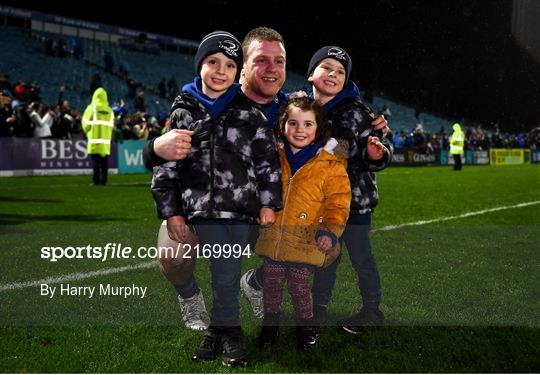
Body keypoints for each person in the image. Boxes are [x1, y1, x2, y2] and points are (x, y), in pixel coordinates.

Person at [142, 27, 390, 325]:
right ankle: (190, 297)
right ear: (242, 66)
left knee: (327, 247)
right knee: (174, 255)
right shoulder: (213, 102)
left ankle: (256, 283)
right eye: (261, 60)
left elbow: (337, 125)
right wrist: (153, 147)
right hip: (209, 208)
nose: (271, 69)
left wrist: (375, 126)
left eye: (279, 61)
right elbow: (169, 152)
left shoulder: (292, 109)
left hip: (265, 212)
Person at [150, 30, 282, 367]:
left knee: (226, 270)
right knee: (214, 267)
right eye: (212, 62)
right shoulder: (183, 110)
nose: (220, 70)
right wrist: (172, 211)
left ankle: (225, 329)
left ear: (236, 71)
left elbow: (267, 164)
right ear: (199, 66)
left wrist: (268, 203)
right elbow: (166, 165)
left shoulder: (251, 114)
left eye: (227, 64)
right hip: (198, 211)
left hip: (240, 211)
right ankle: (216, 321)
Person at [304, 46, 393, 335]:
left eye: (340, 71)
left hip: (354, 202)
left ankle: (371, 310)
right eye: (326, 67)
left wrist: (377, 154)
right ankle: (317, 310)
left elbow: (358, 150)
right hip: (320, 200)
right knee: (325, 256)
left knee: (360, 256)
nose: (333, 74)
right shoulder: (301, 106)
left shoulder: (357, 111)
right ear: (310, 74)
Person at [255, 97, 351, 351]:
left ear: (318, 129)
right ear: (282, 125)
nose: (300, 130)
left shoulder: (330, 164)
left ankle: (305, 328)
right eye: (293, 123)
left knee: (299, 287)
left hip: (305, 239)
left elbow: (339, 203)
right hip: (273, 237)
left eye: (308, 124)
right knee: (272, 284)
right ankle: (270, 325)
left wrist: (330, 231)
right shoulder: (273, 155)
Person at [82, 87, 114, 186]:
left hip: (94, 141)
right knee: (104, 162)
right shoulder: (110, 110)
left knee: (96, 162)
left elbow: (85, 123)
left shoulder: (91, 108)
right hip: (105, 142)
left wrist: (87, 132)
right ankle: (104, 180)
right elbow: (111, 126)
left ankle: (96, 181)